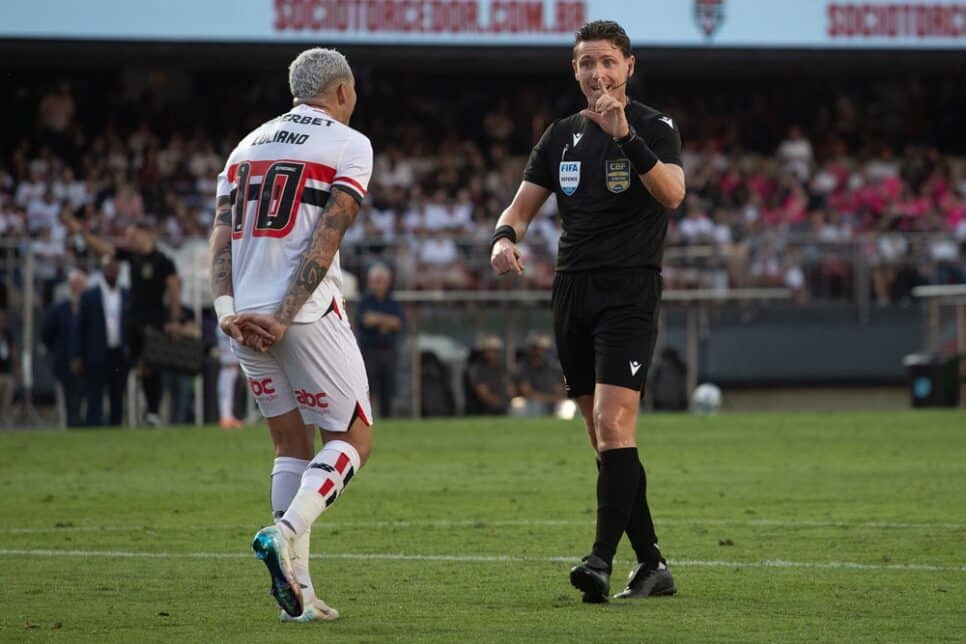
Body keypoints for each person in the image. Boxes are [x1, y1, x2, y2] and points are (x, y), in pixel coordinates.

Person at [490, 20, 685, 602]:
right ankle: (652, 564)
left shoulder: (654, 127)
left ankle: (599, 560)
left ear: (629, 66)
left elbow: (673, 194)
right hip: (572, 291)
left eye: (606, 62)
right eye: (585, 64)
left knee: (611, 423)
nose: (596, 73)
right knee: (604, 439)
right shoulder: (561, 136)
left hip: (629, 290)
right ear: (574, 71)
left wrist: (626, 137)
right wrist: (504, 237)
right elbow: (521, 208)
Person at [209, 47, 374, 623]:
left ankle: (297, 598)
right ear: (344, 92)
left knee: (289, 446)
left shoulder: (245, 146)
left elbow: (221, 236)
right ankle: (285, 532)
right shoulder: (349, 144)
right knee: (353, 435)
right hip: (301, 314)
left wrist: (226, 310)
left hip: (241, 317)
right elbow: (326, 237)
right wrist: (284, 313)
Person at [62, 216, 180, 426]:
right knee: (132, 367)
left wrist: (174, 319)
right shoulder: (133, 257)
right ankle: (135, 413)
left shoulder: (163, 261)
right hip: (133, 323)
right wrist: (81, 231)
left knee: (151, 365)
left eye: (133, 236)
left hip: (154, 322)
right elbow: (103, 249)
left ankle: (152, 411)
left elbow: (174, 289)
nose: (130, 240)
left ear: (144, 234)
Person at [73, 255, 129, 427]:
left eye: (114, 268)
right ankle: (92, 428)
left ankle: (116, 428)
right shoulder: (90, 296)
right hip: (96, 353)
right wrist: (77, 355)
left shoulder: (126, 295)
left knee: (117, 395)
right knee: (94, 395)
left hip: (119, 353)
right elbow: (80, 327)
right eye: (108, 268)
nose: (111, 271)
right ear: (103, 271)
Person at [356, 263, 404, 418]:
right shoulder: (364, 301)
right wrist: (386, 322)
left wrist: (377, 320)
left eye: (381, 281)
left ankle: (387, 417)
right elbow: (364, 320)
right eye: (376, 281)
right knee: (368, 387)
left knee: (388, 388)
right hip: (369, 350)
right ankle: (368, 418)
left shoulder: (392, 302)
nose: (378, 285)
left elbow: (398, 323)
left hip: (388, 351)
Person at [41, 269, 87, 427]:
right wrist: (56, 350)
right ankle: (69, 426)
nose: (77, 289)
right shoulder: (60, 310)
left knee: (85, 399)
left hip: (87, 363)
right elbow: (46, 333)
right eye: (74, 285)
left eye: (80, 285)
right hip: (64, 363)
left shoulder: (90, 308)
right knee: (68, 401)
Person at [514, 331, 565, 414]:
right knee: (534, 405)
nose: (540, 351)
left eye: (542, 348)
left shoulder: (552, 367)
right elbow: (527, 392)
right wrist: (549, 399)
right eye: (537, 348)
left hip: (554, 403)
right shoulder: (523, 368)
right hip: (532, 404)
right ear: (531, 349)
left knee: (568, 405)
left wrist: (558, 398)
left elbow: (560, 389)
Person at [465, 335, 513, 415]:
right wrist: (500, 403)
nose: (492, 353)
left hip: (504, 408)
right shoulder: (477, 368)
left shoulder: (502, 367)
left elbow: (510, 387)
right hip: (482, 410)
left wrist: (508, 400)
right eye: (490, 350)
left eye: (495, 350)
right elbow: (482, 393)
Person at [0, 310, 19, 426]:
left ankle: (5, 419)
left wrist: (16, 366)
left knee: (7, 399)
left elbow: (13, 351)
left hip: (6, 372)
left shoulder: (8, 334)